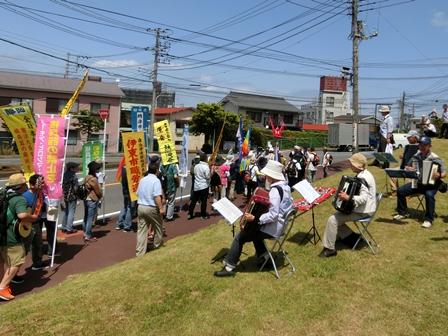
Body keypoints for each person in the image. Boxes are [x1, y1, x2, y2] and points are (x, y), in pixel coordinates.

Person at [214, 160, 293, 277]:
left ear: (271, 176)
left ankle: (229, 267)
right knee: (255, 233)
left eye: (267, 174)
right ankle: (265, 258)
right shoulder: (285, 187)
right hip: (281, 227)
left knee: (240, 237)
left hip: (273, 229)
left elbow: (273, 215)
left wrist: (256, 218)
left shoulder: (275, 191)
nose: (265, 176)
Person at [320, 153, 377, 258]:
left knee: (333, 219)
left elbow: (364, 198)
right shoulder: (365, 173)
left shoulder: (363, 178)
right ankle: (353, 238)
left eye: (352, 164)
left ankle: (330, 249)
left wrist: (348, 198)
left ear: (358, 165)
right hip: (366, 209)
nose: (350, 165)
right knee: (337, 216)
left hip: (364, 212)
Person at [0, 174, 38, 301]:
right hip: (11, 235)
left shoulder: (3, 194)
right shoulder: (18, 199)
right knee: (17, 260)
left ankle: (1, 283)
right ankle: (3, 288)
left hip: (1, 233)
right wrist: (33, 218)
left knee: (1, 261)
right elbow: (22, 215)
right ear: (21, 186)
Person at [393, 136, 446, 228]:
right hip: (417, 182)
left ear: (430, 146)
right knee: (401, 190)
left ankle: (428, 219)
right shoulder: (416, 156)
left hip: (431, 184)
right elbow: (407, 166)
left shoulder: (435, 158)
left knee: (429, 195)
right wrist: (409, 168)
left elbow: (444, 173)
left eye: (424, 145)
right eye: (420, 144)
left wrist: (439, 175)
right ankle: (403, 213)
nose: (422, 147)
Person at [136, 161, 164, 256]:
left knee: (142, 230)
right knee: (158, 228)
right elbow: (157, 196)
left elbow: (137, 193)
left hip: (141, 206)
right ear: (157, 170)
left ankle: (140, 252)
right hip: (151, 207)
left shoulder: (142, 179)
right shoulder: (156, 181)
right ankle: (157, 247)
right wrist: (160, 208)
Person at [22, 174, 47, 270]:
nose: (42, 184)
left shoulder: (40, 194)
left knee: (38, 243)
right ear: (32, 185)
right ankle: (14, 272)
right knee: (25, 248)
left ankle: (37, 263)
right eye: (40, 183)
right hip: (27, 224)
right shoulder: (25, 196)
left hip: (36, 223)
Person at [389, 130, 420, 195]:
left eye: (409, 137)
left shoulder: (420, 147)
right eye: (407, 137)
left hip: (413, 168)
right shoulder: (407, 146)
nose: (407, 138)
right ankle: (395, 191)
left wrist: (411, 167)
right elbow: (407, 156)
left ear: (415, 137)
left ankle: (408, 193)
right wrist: (403, 156)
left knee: (409, 177)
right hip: (404, 167)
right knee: (392, 173)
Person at [83, 161, 103, 242]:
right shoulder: (93, 179)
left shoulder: (87, 177)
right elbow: (98, 191)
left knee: (86, 216)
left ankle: (86, 233)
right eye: (98, 168)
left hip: (86, 199)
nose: (99, 170)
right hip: (92, 199)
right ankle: (88, 235)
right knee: (90, 218)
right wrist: (100, 196)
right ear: (95, 169)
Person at [188, 152, 210, 220]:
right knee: (204, 201)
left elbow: (194, 174)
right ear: (205, 159)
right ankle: (203, 215)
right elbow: (208, 177)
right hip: (204, 186)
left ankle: (190, 214)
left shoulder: (196, 166)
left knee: (193, 200)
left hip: (196, 185)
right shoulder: (206, 167)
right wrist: (212, 172)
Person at [61, 162, 79, 234]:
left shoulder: (64, 175)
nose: (77, 168)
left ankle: (64, 227)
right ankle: (69, 228)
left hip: (64, 195)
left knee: (66, 211)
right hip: (72, 196)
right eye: (76, 167)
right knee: (71, 212)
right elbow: (76, 188)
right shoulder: (74, 176)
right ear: (72, 168)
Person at [115, 165, 133, 232]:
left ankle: (120, 223)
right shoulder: (130, 169)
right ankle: (127, 226)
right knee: (129, 208)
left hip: (125, 191)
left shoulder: (124, 168)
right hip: (130, 192)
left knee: (125, 207)